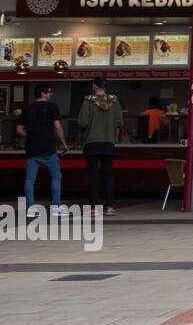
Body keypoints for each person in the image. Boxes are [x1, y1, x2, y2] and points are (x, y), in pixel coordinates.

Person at [16, 83, 68, 220]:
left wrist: (30, 135)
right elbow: (57, 127)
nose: (51, 94)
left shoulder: (26, 109)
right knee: (56, 177)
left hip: (32, 149)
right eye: (49, 92)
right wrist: (63, 143)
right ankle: (56, 207)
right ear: (43, 93)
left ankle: (30, 208)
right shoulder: (52, 107)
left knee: (30, 179)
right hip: (48, 149)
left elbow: (19, 130)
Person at [78, 77, 123, 215]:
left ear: (94, 86)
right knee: (108, 175)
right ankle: (109, 206)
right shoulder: (114, 102)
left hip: (92, 142)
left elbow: (82, 122)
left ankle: (93, 207)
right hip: (109, 142)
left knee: (93, 175)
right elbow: (119, 122)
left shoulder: (88, 102)